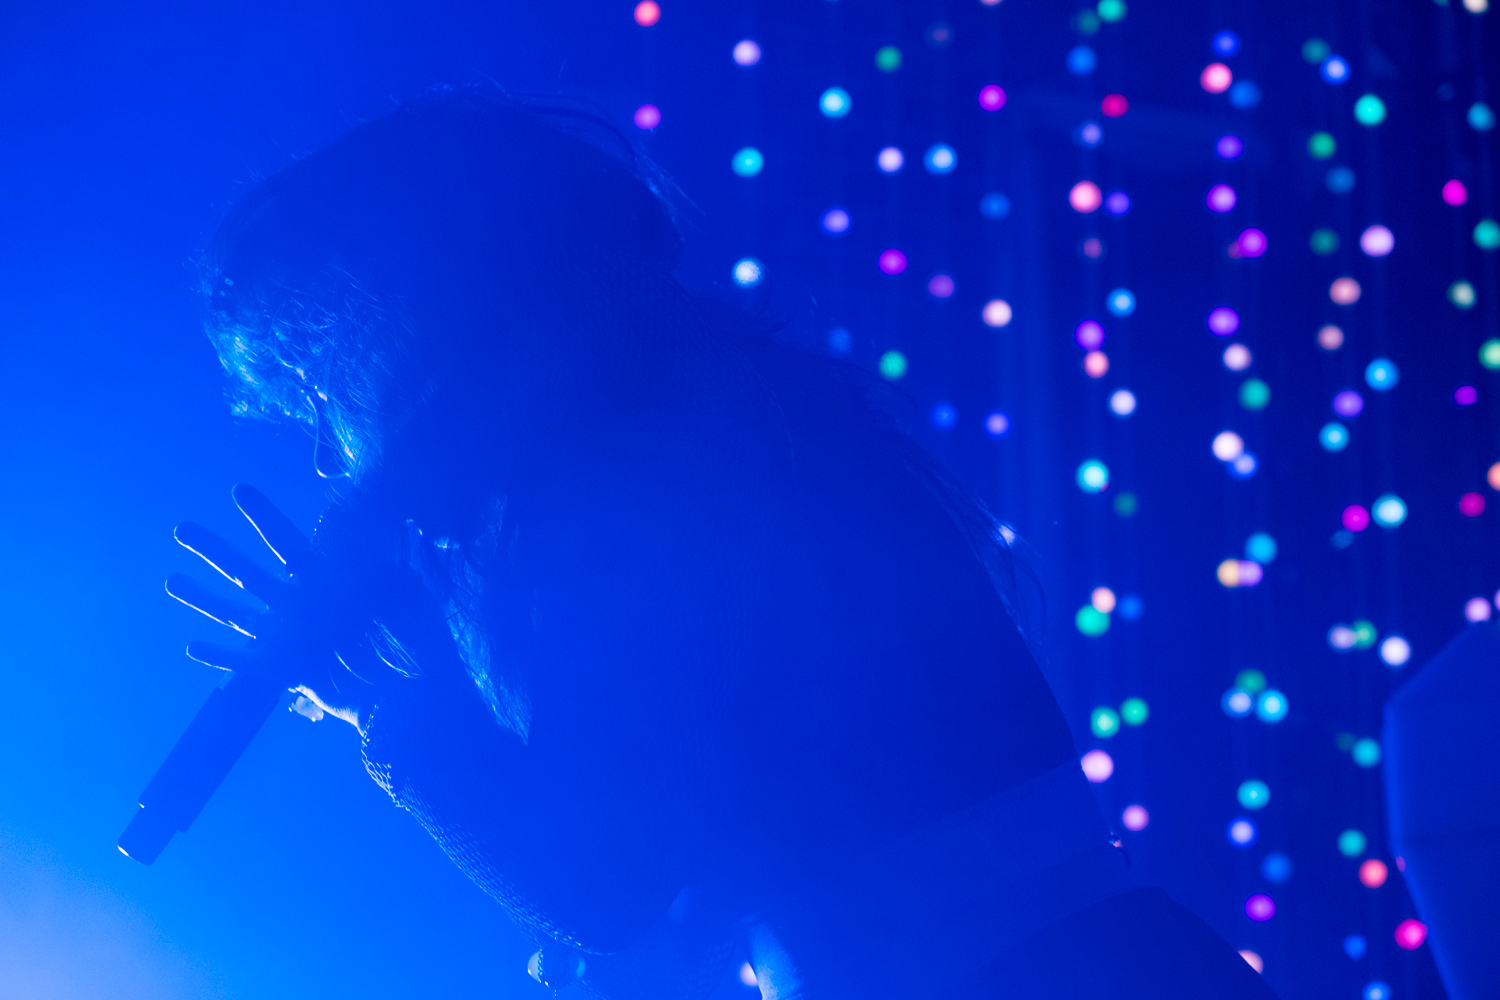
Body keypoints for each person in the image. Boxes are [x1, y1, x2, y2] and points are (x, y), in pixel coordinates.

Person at [171, 87, 1277, 999]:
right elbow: (735, 840)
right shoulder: (716, 409)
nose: (327, 450)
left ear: (411, 331)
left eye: (321, 383)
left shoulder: (617, 485)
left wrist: (397, 711)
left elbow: (607, 881)